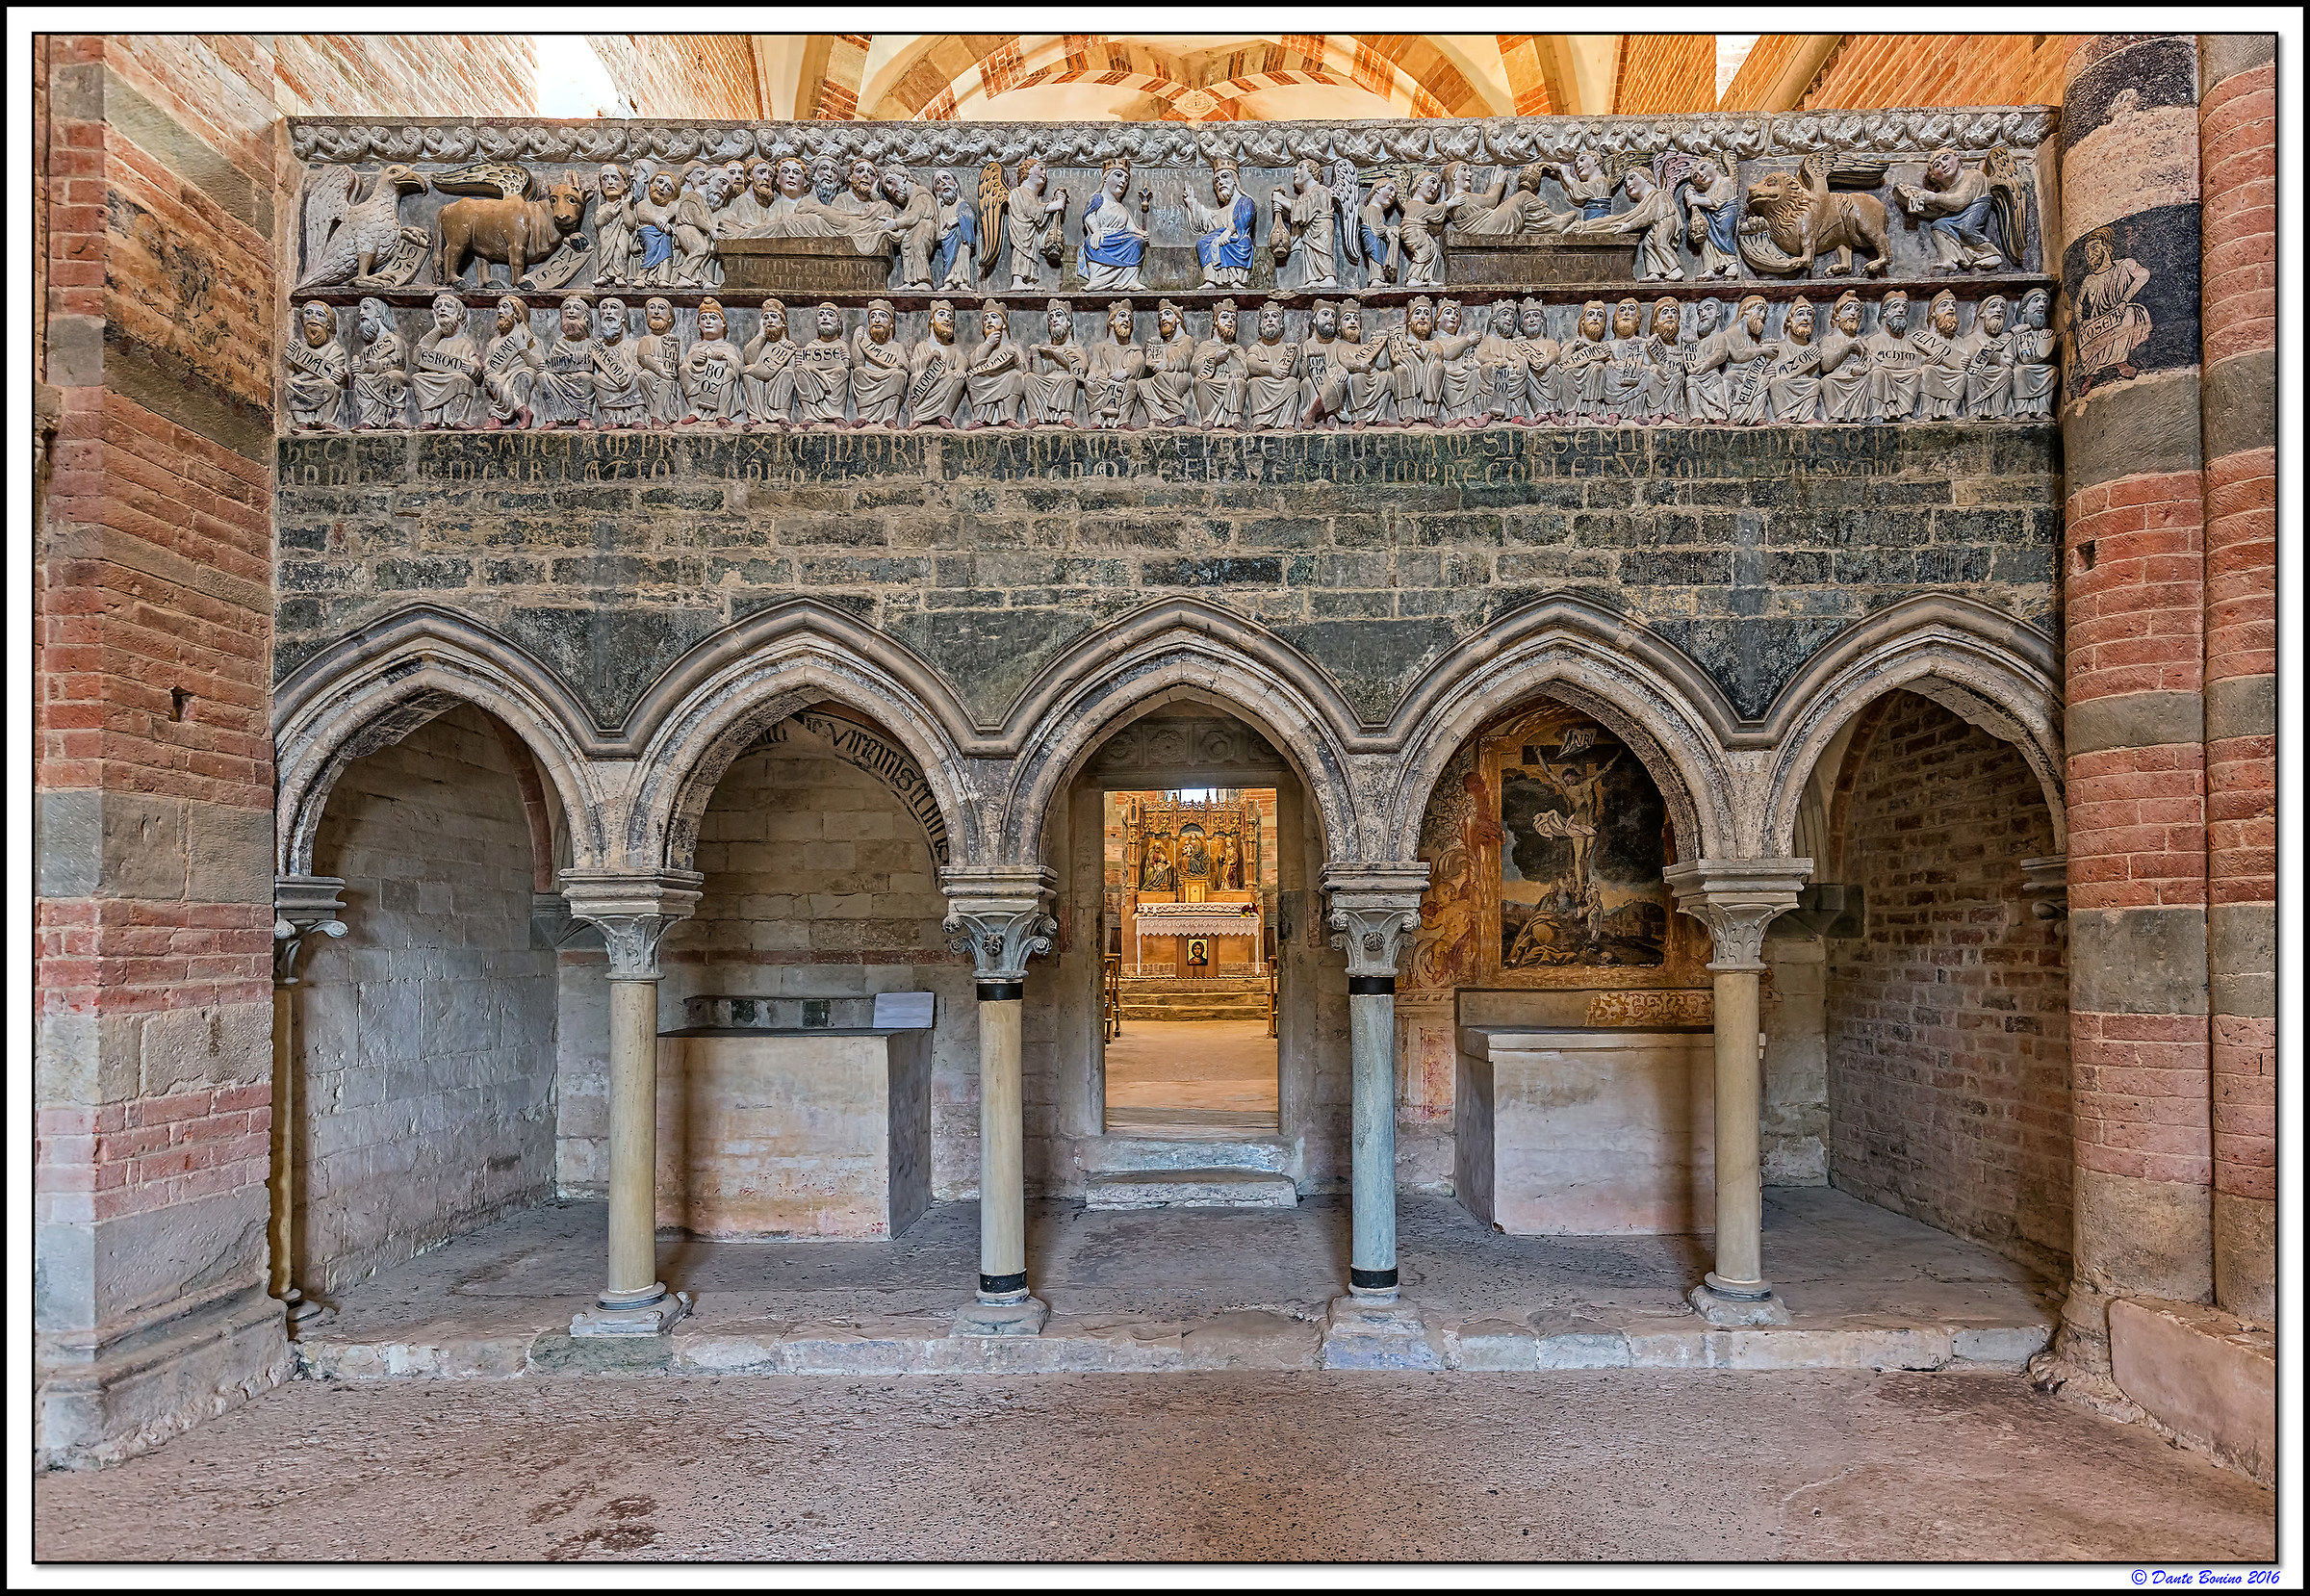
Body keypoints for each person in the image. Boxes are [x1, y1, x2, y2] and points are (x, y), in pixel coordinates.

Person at [2071, 229, 2153, 392]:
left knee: (2134, 313)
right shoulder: (2089, 279)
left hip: (2118, 315)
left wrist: (2124, 300)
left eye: (2095, 248)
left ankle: (2121, 362)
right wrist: (2080, 321)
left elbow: (2144, 275)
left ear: (2107, 248)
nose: (2090, 254)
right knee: (2083, 334)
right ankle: (2090, 374)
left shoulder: (2124, 265)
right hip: (2099, 324)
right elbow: (2079, 303)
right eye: (2087, 251)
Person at [1185, 156, 1257, 288]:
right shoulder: (1223, 210)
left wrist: (1228, 232)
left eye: (1225, 177)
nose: (1220, 183)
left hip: (1237, 237)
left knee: (1238, 243)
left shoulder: (1245, 201)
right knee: (1203, 242)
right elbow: (1207, 217)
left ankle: (1237, 280)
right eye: (1217, 181)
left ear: (1234, 181)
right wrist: (1191, 203)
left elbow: (1244, 217)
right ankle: (1211, 280)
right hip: (1219, 237)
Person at [1077, 158, 1148, 292]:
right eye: (1118, 175)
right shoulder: (1097, 199)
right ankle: (1097, 280)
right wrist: (1096, 231)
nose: (1123, 181)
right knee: (1091, 243)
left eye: (1126, 179)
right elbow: (1089, 216)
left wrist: (1142, 234)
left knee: (1137, 242)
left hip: (1120, 239)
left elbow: (1131, 227)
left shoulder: (1122, 208)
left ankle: (1131, 280)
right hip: (1103, 237)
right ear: (1105, 178)